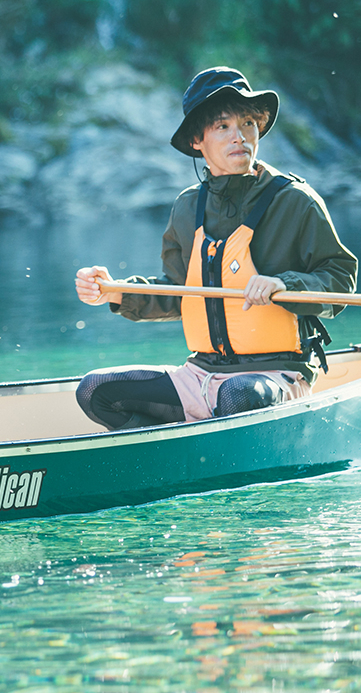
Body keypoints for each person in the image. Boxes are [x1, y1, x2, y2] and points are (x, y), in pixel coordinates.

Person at [74, 66, 357, 429]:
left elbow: (340, 276)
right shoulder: (187, 207)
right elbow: (178, 291)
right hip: (200, 376)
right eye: (223, 126)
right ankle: (174, 457)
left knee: (237, 396)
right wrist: (115, 292)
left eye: (248, 124)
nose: (240, 137)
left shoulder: (296, 200)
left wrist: (286, 285)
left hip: (275, 375)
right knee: (94, 390)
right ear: (197, 140)